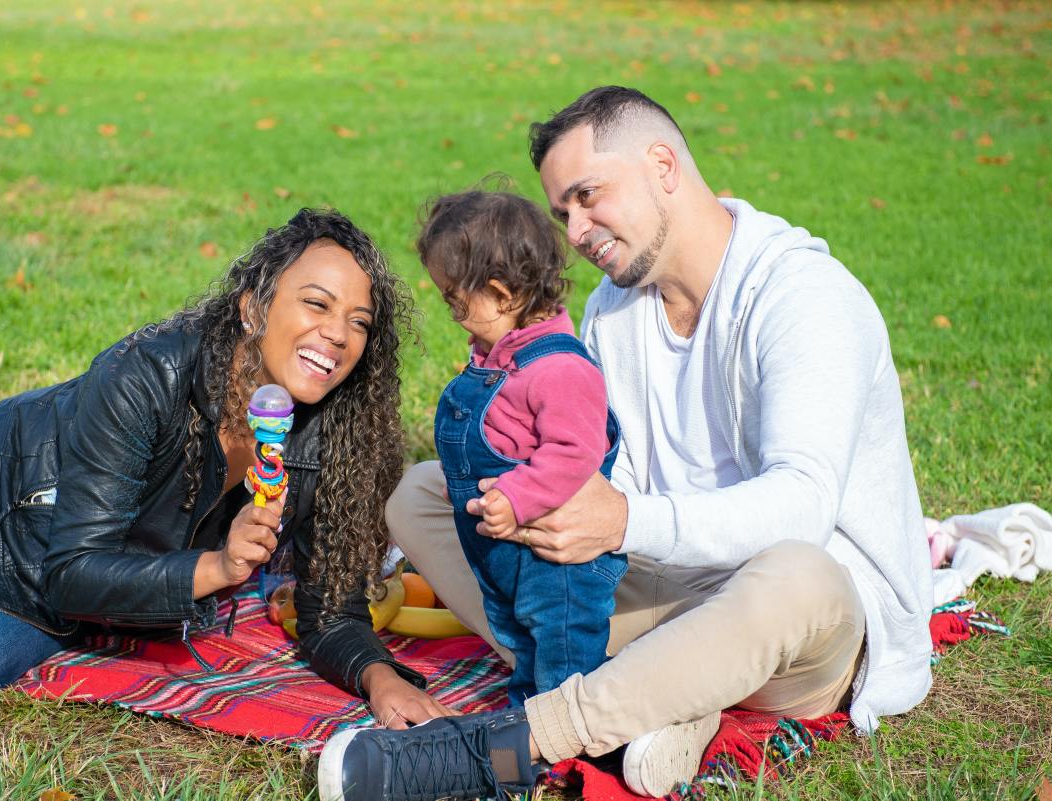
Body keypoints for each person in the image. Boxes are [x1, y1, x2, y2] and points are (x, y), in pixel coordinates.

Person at [318, 86, 934, 801]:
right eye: (562, 212)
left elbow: (804, 505)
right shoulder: (616, 305)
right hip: (657, 584)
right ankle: (657, 700)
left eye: (588, 195)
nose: (575, 230)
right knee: (425, 492)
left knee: (800, 572)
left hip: (797, 625)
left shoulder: (804, 297)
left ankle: (511, 746)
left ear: (663, 165)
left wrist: (622, 520)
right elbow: (593, 462)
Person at [0, 209, 448, 728]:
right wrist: (215, 566)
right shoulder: (147, 374)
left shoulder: (330, 434)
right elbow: (78, 564)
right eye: (316, 303)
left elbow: (329, 606)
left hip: (56, 591)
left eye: (360, 322)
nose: (339, 334)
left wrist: (379, 678)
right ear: (253, 308)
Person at [417, 189, 625, 707]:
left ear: (502, 295)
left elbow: (574, 454)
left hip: (558, 566)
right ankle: (527, 710)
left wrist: (516, 496)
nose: (451, 312)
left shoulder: (559, 368)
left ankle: (564, 738)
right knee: (521, 642)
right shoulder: (496, 358)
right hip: (507, 556)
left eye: (455, 300)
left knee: (562, 652)